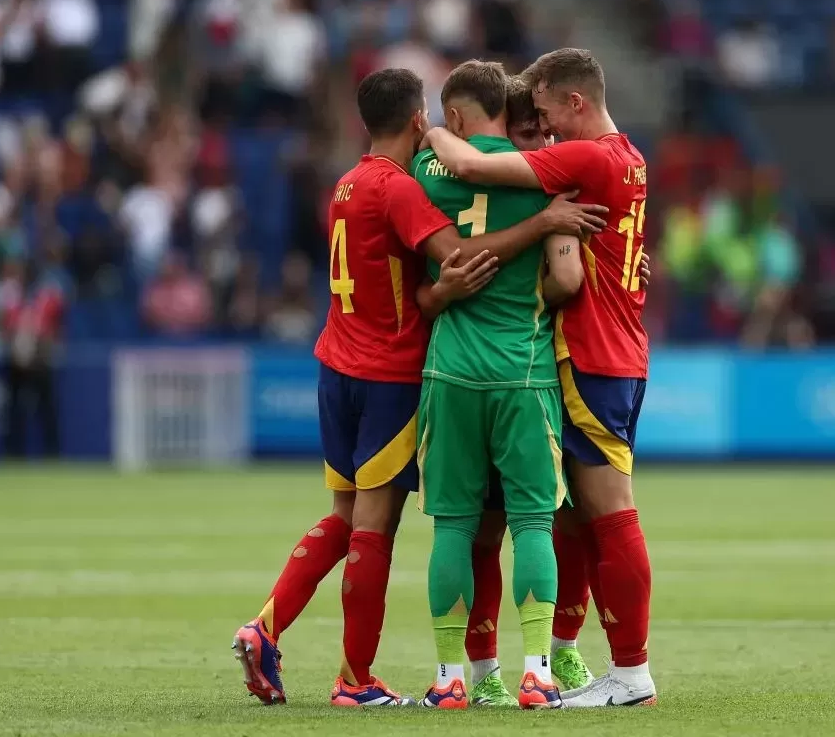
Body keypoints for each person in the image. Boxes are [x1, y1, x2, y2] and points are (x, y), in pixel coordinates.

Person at [230, 67, 607, 707]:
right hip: (393, 372)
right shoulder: (405, 190)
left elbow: (395, 275)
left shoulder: (347, 186)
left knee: (347, 521)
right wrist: (543, 226)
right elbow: (461, 259)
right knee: (385, 530)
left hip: (337, 364)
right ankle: (356, 681)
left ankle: (266, 627)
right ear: (416, 120)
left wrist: (432, 291)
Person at [426, 48, 656, 707]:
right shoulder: (632, 158)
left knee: (608, 512)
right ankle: (580, 659)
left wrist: (434, 129)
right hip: (622, 351)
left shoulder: (586, 159)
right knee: (576, 520)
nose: (545, 126)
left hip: (589, 354)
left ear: (574, 99)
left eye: (549, 110)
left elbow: (468, 164)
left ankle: (632, 673)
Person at [411, 61, 583, 711]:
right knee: (535, 522)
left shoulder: (423, 175)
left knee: (454, 528)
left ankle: (451, 677)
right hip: (523, 369)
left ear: (454, 117)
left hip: (450, 370)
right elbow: (568, 281)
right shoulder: (542, 178)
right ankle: (537, 671)